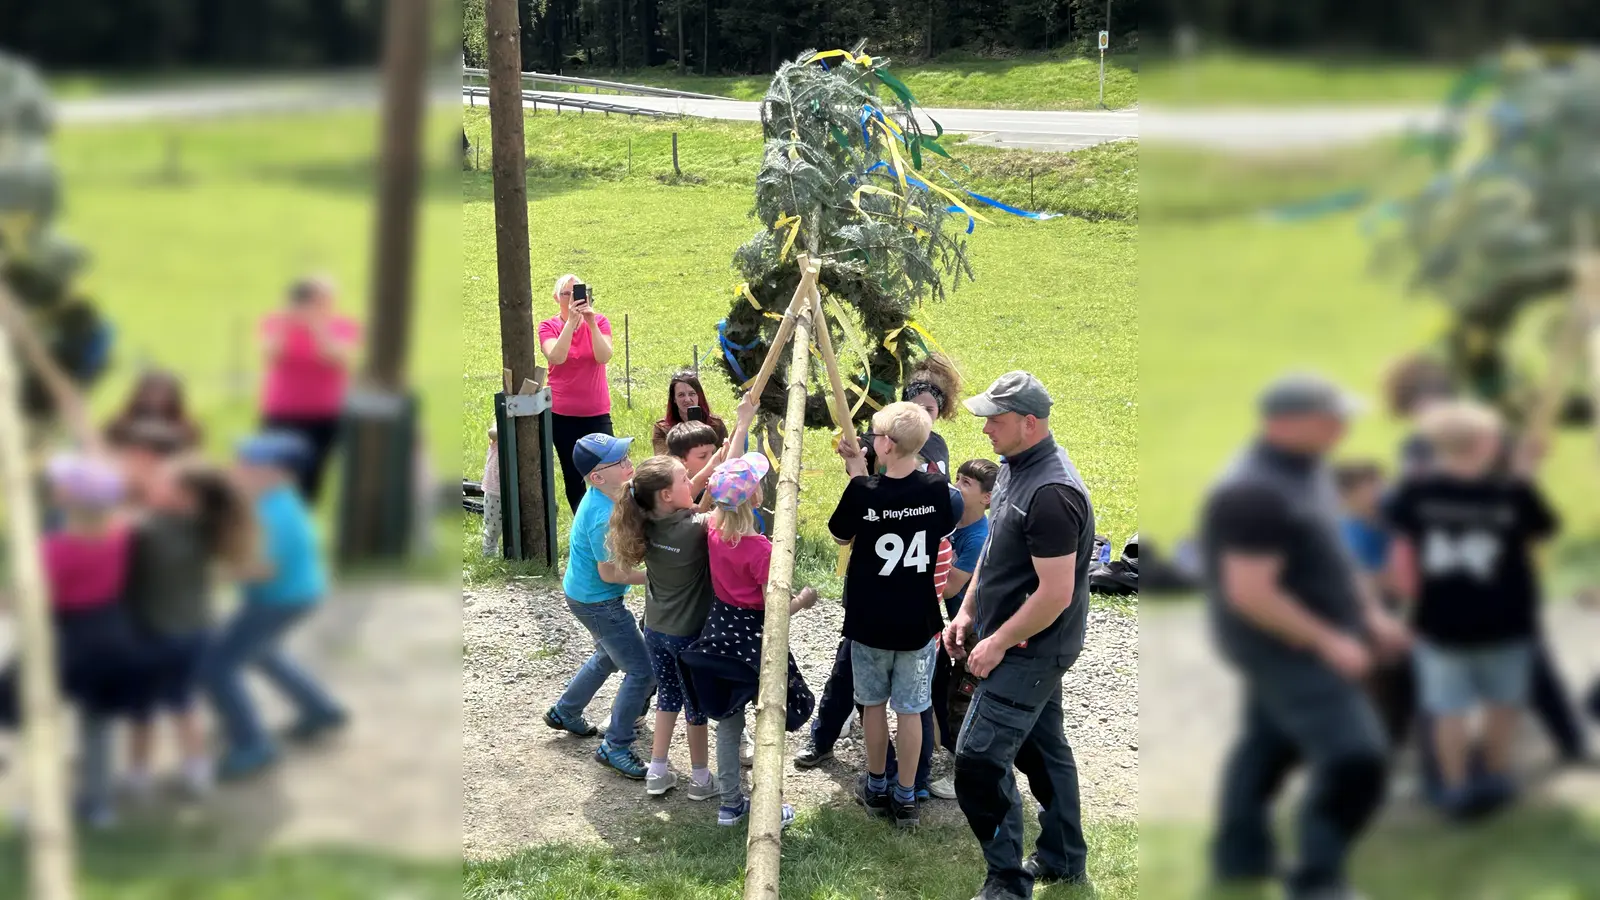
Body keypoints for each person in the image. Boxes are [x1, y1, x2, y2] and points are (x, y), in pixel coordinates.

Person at [1201, 373, 1410, 900]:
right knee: (1356, 755)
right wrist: (1329, 641)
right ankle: (1319, 876)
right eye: (1328, 417)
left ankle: (1240, 856)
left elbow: (1332, 557)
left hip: (1308, 634)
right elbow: (1252, 592)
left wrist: (1370, 616)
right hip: (1282, 644)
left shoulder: (1308, 472)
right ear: (1284, 423)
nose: (1341, 426)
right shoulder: (1254, 491)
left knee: (1268, 743)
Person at [942, 372, 1096, 899]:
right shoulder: (1014, 469)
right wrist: (966, 611)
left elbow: (1054, 593)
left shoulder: (1051, 493)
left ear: (1029, 423)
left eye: (996, 420)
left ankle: (1007, 882)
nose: (985, 428)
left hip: (1034, 648)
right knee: (1043, 749)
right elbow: (995, 550)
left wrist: (999, 641)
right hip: (1014, 637)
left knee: (980, 760)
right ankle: (1062, 858)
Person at [1385, 401, 1556, 818]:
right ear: (1487, 444)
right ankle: (1496, 776)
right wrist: (1524, 477)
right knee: (1504, 701)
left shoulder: (1414, 491)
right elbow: (1544, 529)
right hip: (1506, 615)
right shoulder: (1512, 493)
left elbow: (1395, 521)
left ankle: (1456, 787)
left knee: (1447, 708)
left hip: (1440, 619)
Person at [829, 401, 957, 829]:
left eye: (875, 436)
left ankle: (877, 783)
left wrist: (856, 476)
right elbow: (934, 524)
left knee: (873, 706)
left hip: (870, 620)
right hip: (918, 620)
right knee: (911, 709)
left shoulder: (863, 493)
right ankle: (906, 795)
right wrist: (859, 473)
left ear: (885, 445)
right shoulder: (938, 490)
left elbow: (842, 533)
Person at [202, 431, 348, 780]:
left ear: (281, 474)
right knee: (262, 653)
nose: (238, 469)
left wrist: (210, 576)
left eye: (251, 465)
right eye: (240, 462)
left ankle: (252, 744)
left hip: (279, 600)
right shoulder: (271, 501)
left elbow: (263, 569)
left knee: (215, 666)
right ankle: (321, 709)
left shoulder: (274, 514)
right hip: (292, 595)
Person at [679, 453, 814, 828]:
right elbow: (778, 608)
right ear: (755, 498)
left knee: (728, 720)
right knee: (769, 717)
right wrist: (803, 599)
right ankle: (771, 802)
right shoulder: (762, 551)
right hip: (757, 638)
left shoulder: (712, 534)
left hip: (720, 629)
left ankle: (729, 804)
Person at [123, 458, 256, 797]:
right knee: (184, 705)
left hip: (153, 634)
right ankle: (197, 771)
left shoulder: (150, 531)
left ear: (186, 497)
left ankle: (139, 774)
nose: (154, 482)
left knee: (142, 709)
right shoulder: (206, 527)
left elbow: (114, 529)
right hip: (197, 633)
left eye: (164, 481)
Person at [541, 433, 657, 779]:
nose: (628, 463)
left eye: (626, 456)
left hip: (584, 597)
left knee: (607, 655)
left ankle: (565, 711)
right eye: (619, 462)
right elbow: (610, 573)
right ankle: (616, 746)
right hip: (598, 602)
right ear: (597, 477)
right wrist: (657, 577)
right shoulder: (601, 516)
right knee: (642, 670)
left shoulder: (612, 492)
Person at [926, 458, 998, 801]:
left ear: (986, 498)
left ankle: (966, 775)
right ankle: (950, 752)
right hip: (954, 625)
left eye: (967, 483)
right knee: (945, 687)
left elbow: (951, 588)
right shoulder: (950, 523)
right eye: (958, 478)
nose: (957, 485)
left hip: (976, 631)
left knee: (964, 696)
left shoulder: (978, 537)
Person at [259, 276, 361, 503]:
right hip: (283, 412)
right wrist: (287, 323)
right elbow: (271, 355)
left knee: (312, 475)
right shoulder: (278, 324)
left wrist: (317, 327)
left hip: (325, 414)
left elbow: (337, 357)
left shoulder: (341, 326)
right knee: (276, 473)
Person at [1333, 460, 1413, 749]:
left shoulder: (1389, 522)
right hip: (1367, 612)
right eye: (1370, 487)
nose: (1380, 492)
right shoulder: (1345, 531)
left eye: (1381, 484)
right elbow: (1369, 581)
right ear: (1345, 496)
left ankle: (1397, 730)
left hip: (1395, 605)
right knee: (1383, 667)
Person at [539, 274, 616, 512]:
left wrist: (590, 322)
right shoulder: (548, 326)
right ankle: (582, 529)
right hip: (563, 415)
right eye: (567, 294)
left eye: (579, 292)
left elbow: (604, 356)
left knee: (611, 471)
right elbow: (556, 357)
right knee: (573, 476)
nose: (574, 299)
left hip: (596, 412)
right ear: (556, 298)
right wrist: (571, 324)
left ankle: (615, 527)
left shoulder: (600, 322)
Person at [104, 368, 203, 452]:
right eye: (151, 393)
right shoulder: (120, 425)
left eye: (162, 394)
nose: (155, 399)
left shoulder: (186, 430)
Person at [652, 369, 728, 456]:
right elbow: (663, 462)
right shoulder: (662, 428)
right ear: (674, 399)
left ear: (699, 396)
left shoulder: (716, 425)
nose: (687, 400)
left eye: (692, 394)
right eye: (681, 395)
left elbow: (725, 456)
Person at [483, 423, 501, 557]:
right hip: (495, 489)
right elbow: (492, 433)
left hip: (515, 488)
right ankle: (489, 553)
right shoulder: (498, 429)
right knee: (493, 526)